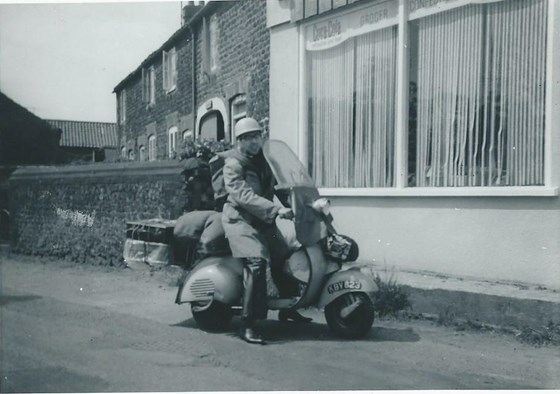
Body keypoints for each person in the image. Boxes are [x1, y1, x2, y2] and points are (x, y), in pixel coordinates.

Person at [221, 117, 311, 345]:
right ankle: (248, 323)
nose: (253, 142)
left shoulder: (265, 161)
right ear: (239, 141)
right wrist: (276, 210)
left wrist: (300, 203)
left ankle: (288, 308)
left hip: (263, 221)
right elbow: (243, 196)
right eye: (247, 138)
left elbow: (279, 186)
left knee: (284, 256)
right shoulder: (233, 164)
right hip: (240, 220)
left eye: (256, 136)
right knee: (256, 263)